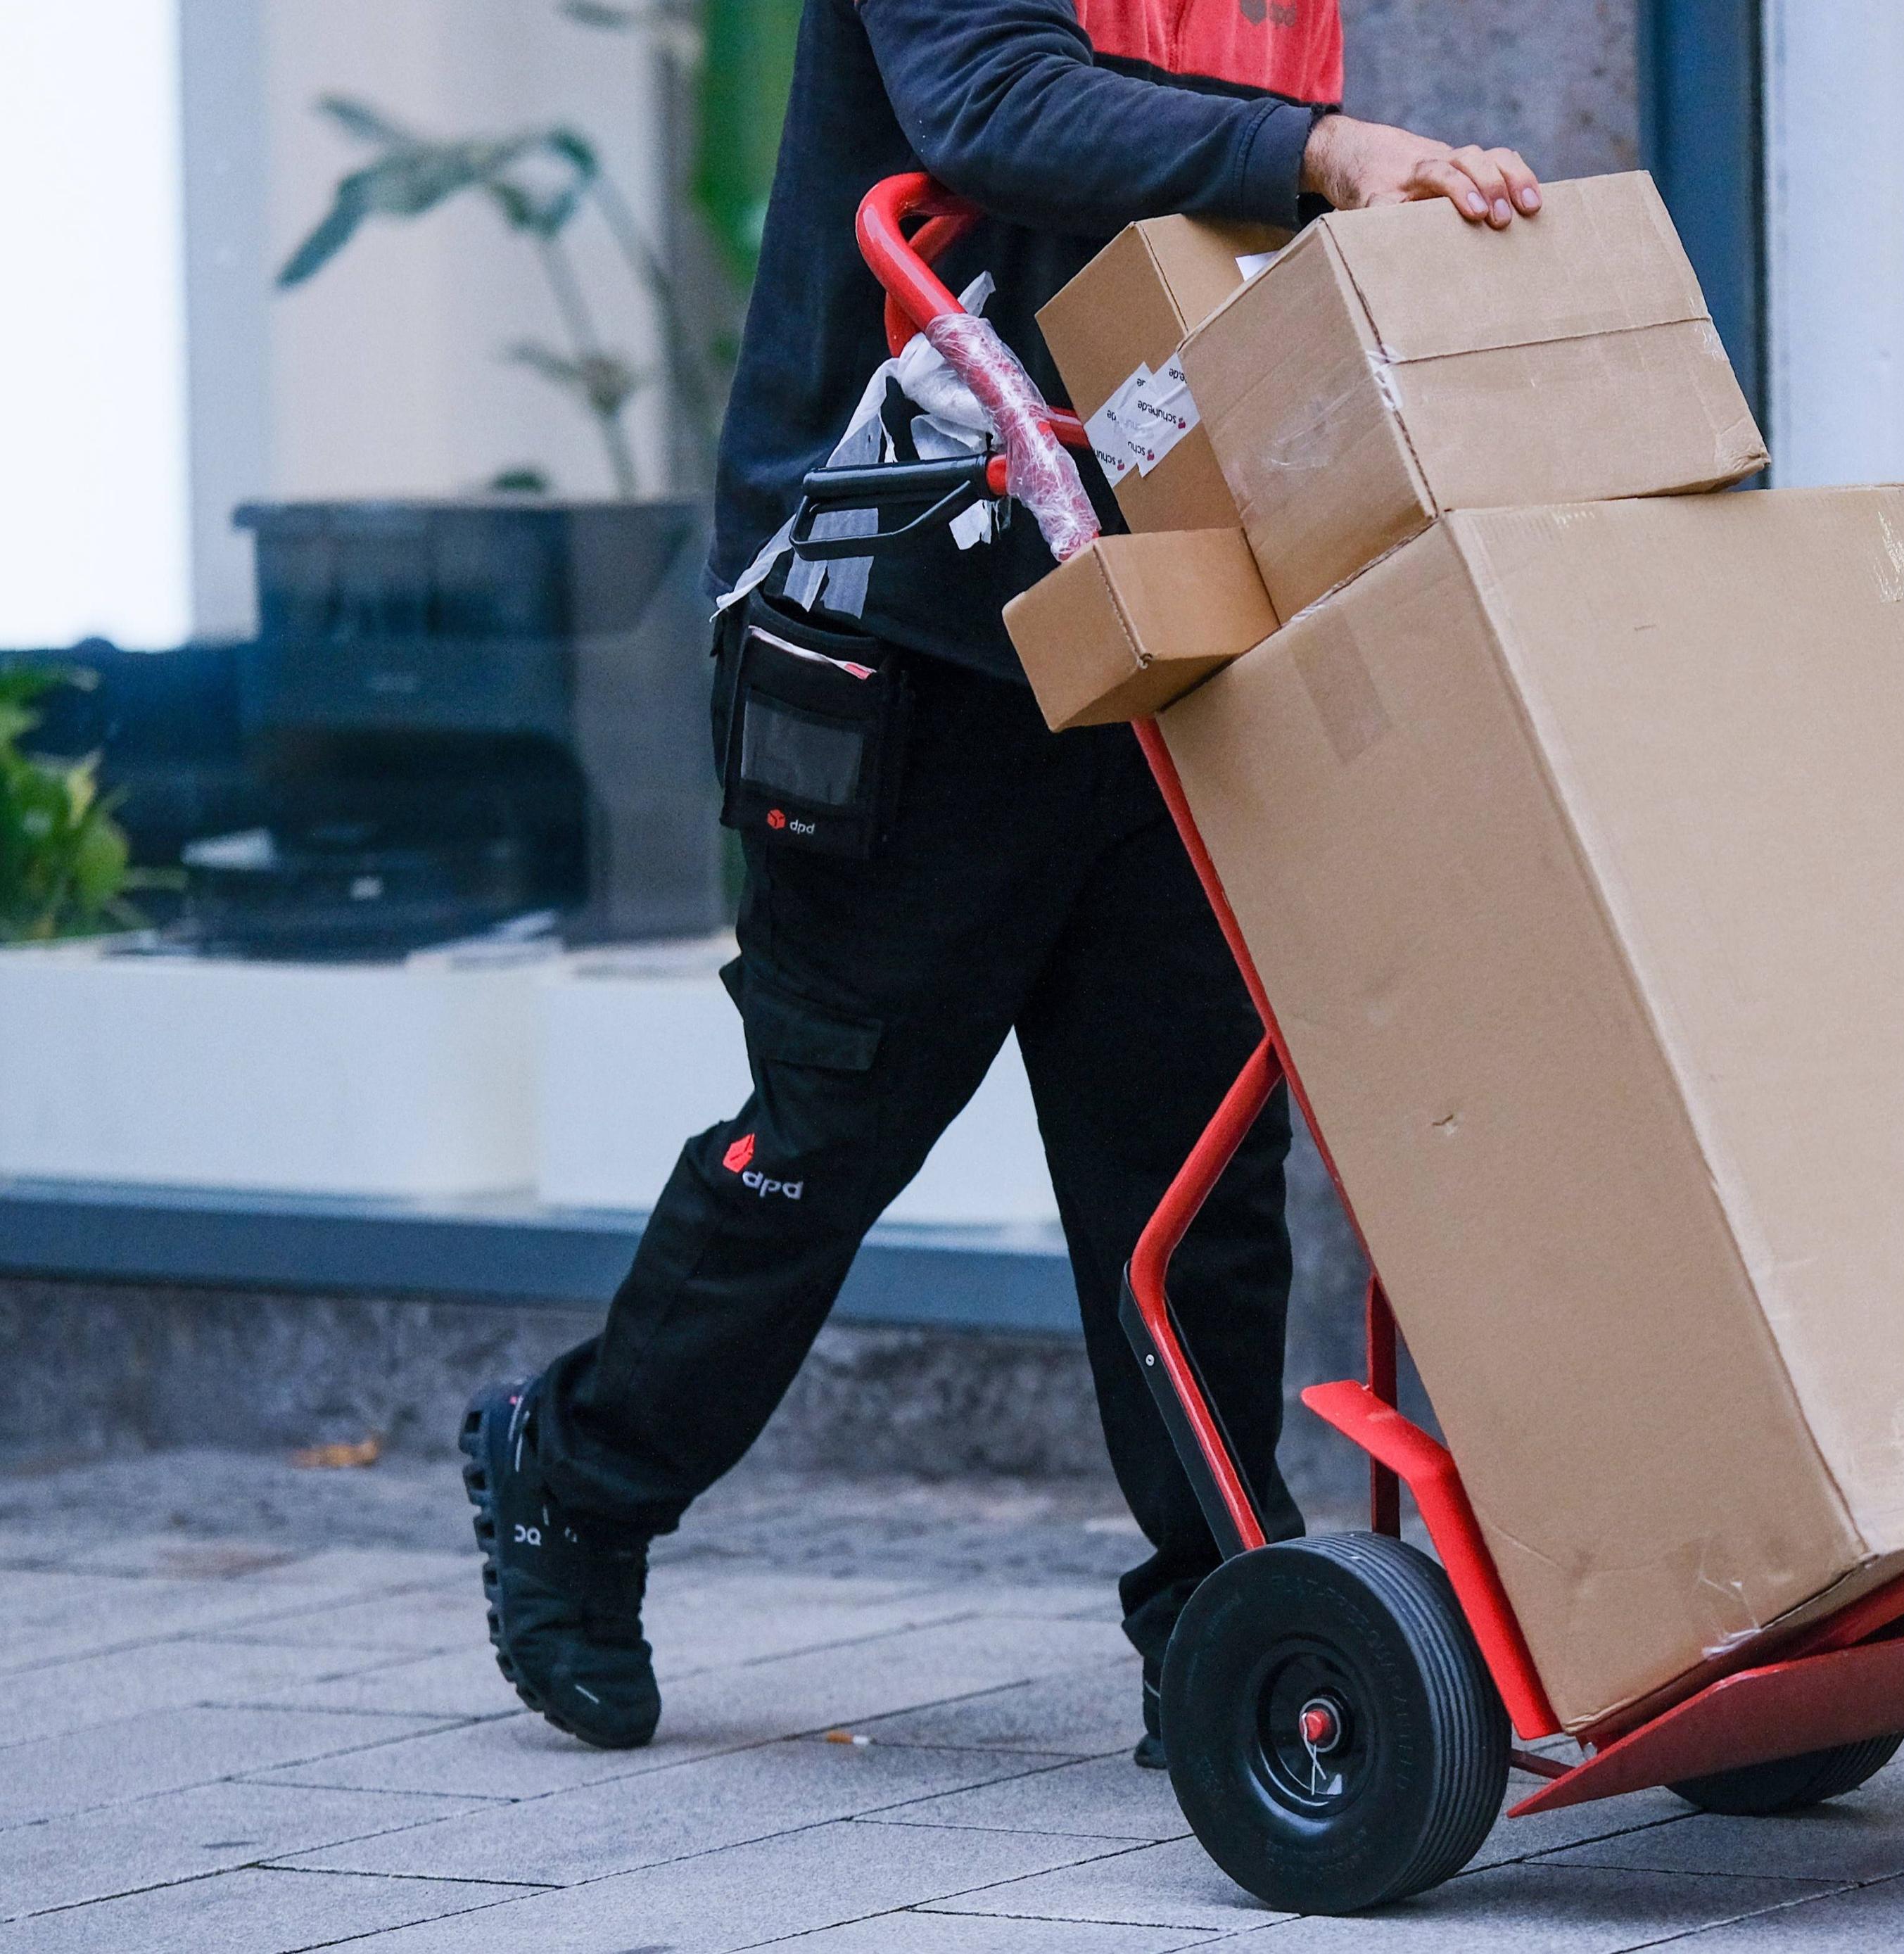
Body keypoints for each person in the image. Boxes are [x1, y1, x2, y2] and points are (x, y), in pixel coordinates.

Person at [459, 0, 1542, 1761]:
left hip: (1157, 579)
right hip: (901, 602)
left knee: (1188, 1156)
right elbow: (986, 104)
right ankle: (576, 1480)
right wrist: (1328, 153)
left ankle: (1222, 1615)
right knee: (833, 1129)